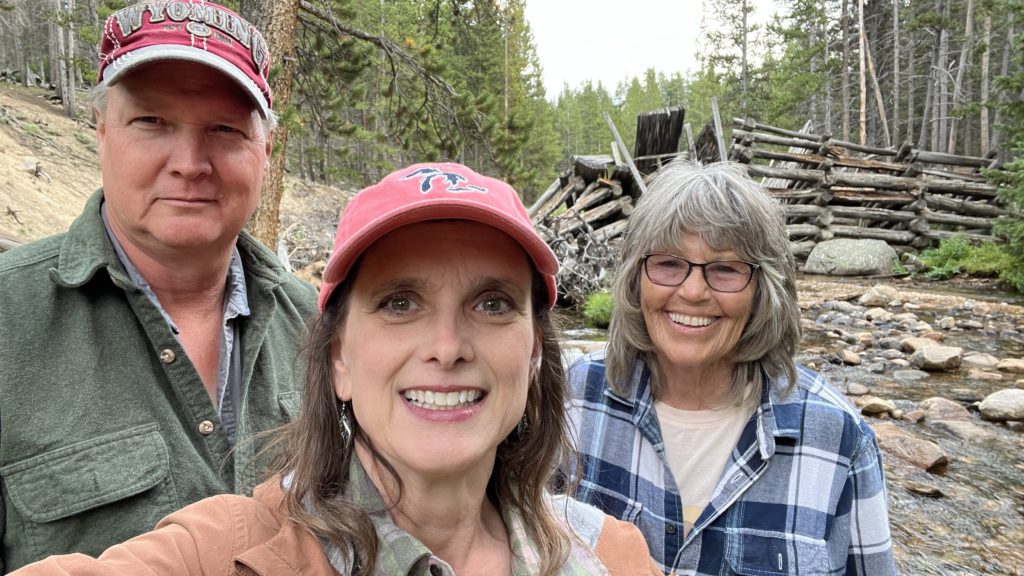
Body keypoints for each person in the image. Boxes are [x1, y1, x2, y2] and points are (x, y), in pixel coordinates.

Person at [10, 162, 659, 576]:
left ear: (538, 351)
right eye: (399, 303)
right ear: (338, 359)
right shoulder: (225, 553)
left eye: (491, 303)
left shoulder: (614, 556)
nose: (447, 344)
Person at [0, 3, 316, 571]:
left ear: (266, 150)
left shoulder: (326, 331)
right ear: (100, 130)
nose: (190, 163)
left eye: (224, 129)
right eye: (152, 122)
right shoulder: (7, 320)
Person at [563, 159, 896, 575]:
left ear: (764, 290)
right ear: (636, 277)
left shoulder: (837, 439)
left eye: (724, 269)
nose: (693, 291)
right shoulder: (576, 397)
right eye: (668, 263)